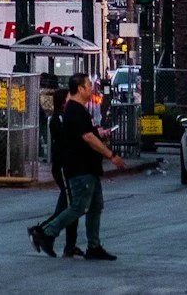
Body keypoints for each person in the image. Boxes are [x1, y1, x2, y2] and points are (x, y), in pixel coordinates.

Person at [29, 76, 116, 262]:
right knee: (77, 206)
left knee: (94, 206)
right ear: (80, 88)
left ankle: (93, 246)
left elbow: (89, 135)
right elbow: (87, 138)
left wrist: (99, 136)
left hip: (89, 167)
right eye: (89, 86)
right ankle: (45, 232)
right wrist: (111, 155)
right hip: (79, 167)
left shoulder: (80, 112)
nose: (91, 89)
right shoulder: (74, 112)